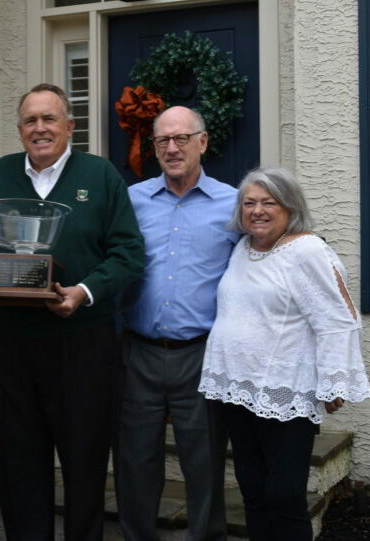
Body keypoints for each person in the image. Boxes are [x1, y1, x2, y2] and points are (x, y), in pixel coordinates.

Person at [0, 83, 145, 540]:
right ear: (20, 129)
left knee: (84, 462)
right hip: (13, 341)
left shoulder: (99, 175)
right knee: (18, 460)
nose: (39, 129)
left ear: (70, 126)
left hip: (82, 340)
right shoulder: (0, 173)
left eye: (49, 119)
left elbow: (128, 253)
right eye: (30, 121)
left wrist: (83, 291)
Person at [199, 166, 370, 541]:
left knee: (285, 493)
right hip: (236, 389)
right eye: (249, 203)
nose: (257, 211)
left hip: (285, 391)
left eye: (269, 202)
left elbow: (338, 320)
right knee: (253, 488)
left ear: (290, 207)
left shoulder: (307, 250)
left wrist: (333, 383)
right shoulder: (244, 249)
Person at [115, 106, 237, 541]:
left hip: (201, 355)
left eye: (182, 138)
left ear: (202, 143)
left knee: (203, 462)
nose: (171, 148)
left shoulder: (233, 203)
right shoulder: (131, 200)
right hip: (138, 351)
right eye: (162, 141)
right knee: (133, 462)